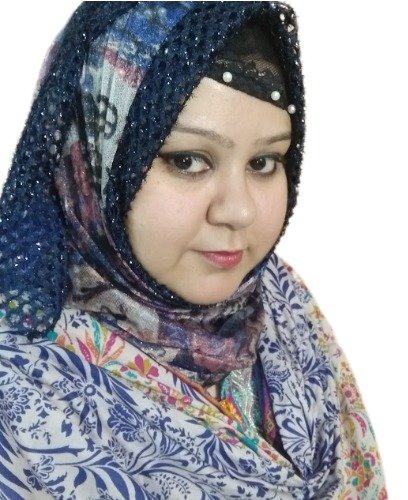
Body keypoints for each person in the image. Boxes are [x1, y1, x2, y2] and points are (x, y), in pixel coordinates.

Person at [0, 2, 386, 499]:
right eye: (187, 160)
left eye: (265, 161)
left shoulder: (282, 306)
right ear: (91, 159)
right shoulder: (19, 382)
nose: (239, 210)